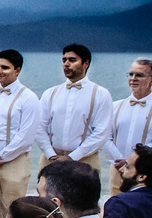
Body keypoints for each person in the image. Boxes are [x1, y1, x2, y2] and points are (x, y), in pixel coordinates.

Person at [0, 49, 40, 210]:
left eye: (5, 67)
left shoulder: (29, 98)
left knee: (10, 213)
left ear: (17, 70)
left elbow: (26, 136)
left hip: (14, 163)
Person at [35, 44, 113, 175]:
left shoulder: (100, 94)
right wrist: (50, 154)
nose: (66, 64)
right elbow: (39, 126)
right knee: (46, 195)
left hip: (85, 159)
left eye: (72, 60)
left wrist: (73, 156)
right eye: (64, 60)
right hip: (50, 159)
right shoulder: (50, 93)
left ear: (86, 63)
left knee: (84, 195)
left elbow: (101, 132)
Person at [103, 59, 152, 197]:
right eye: (130, 74)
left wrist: (132, 161)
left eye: (139, 75)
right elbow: (105, 137)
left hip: (147, 173)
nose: (133, 79)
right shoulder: (115, 106)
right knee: (116, 206)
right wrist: (119, 160)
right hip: (117, 169)